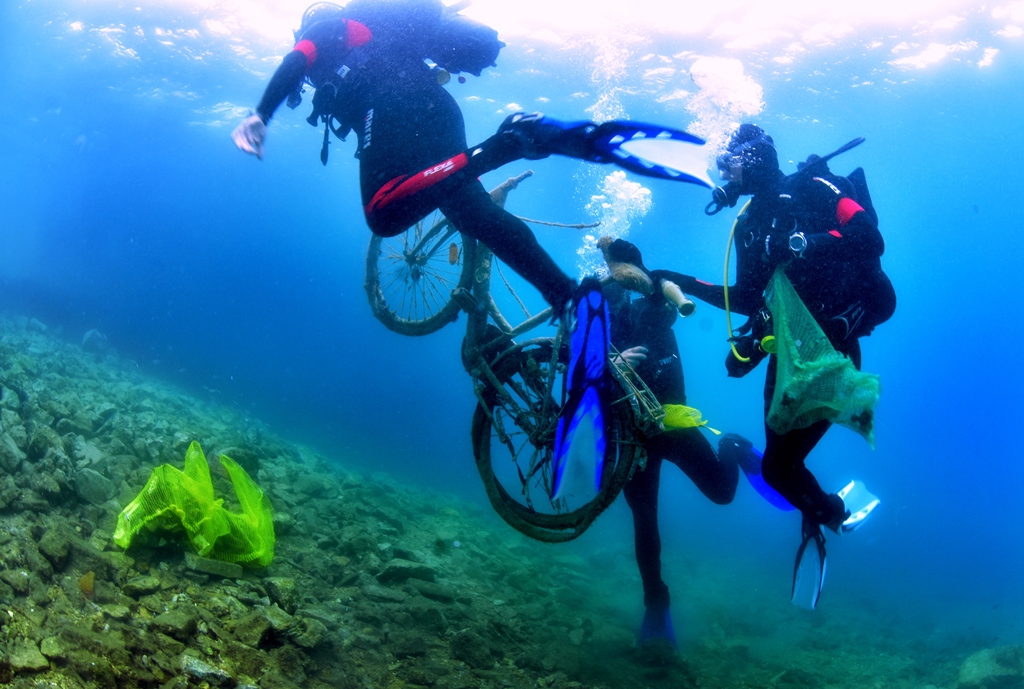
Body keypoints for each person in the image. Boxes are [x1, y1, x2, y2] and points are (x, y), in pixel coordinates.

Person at [231, 0, 711, 315]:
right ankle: (566, 295)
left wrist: (260, 115)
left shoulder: (332, 27)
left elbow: (299, 57)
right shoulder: (379, 37)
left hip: (394, 106)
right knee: (476, 215)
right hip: (438, 110)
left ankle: (507, 143)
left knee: (383, 212)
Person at [653, 124, 896, 535]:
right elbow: (746, 297)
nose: (724, 173)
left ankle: (831, 516)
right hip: (789, 351)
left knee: (779, 467)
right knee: (779, 468)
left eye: (728, 162)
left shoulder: (813, 186)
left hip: (832, 349)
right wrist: (684, 282)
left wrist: (801, 243)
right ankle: (821, 513)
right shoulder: (748, 224)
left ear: (754, 158)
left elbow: (869, 238)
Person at [601, 238, 747, 648]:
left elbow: (668, 295)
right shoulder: (600, 318)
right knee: (644, 519)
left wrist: (659, 286)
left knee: (722, 494)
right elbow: (575, 371)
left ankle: (731, 446)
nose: (619, 289)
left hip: (674, 422)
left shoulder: (655, 305)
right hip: (633, 434)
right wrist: (609, 365)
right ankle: (656, 606)